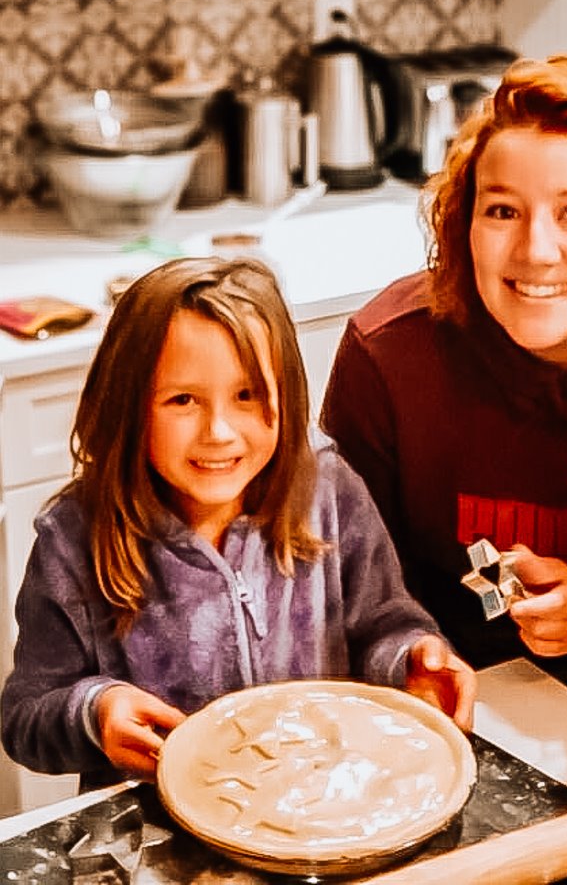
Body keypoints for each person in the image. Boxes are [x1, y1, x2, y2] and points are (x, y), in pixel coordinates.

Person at [1, 257, 474, 792]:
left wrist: (411, 659)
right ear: (128, 405)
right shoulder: (73, 540)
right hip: (159, 839)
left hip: (318, 804)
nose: (220, 431)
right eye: (183, 400)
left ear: (286, 394)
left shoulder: (327, 489)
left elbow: (384, 625)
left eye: (247, 395)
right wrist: (95, 710)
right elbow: (24, 716)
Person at [320, 54, 567, 708]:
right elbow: (345, 581)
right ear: (461, 222)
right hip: (438, 692)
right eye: (502, 212)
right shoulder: (388, 353)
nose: (535, 251)